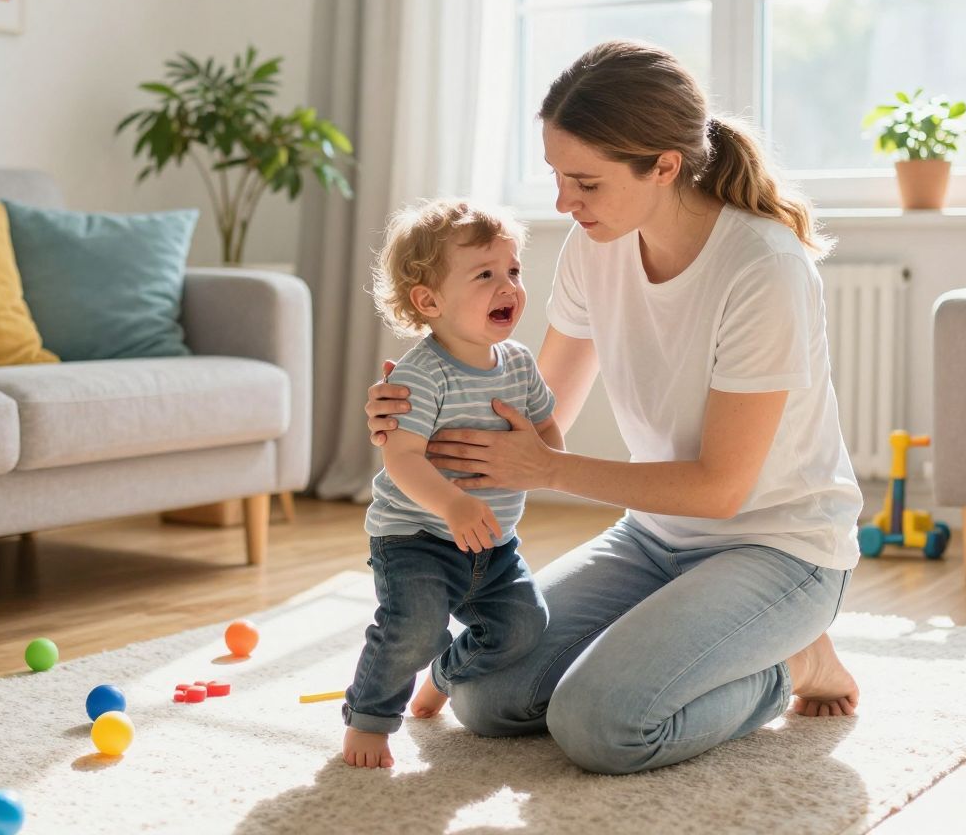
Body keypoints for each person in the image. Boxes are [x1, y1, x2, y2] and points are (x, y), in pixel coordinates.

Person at [365, 41, 863, 776]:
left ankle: (791, 663)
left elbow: (720, 491)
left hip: (779, 548)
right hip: (654, 538)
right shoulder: (595, 245)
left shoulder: (763, 267)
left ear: (663, 166)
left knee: (601, 725)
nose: (564, 202)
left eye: (586, 182)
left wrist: (550, 470)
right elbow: (532, 419)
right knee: (486, 693)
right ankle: (706, 642)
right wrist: (424, 405)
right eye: (557, 175)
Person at [343, 198, 563, 769]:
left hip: (493, 545)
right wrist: (454, 503)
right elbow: (402, 458)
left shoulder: (519, 364)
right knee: (413, 629)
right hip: (417, 539)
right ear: (429, 301)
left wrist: (546, 454)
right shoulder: (422, 374)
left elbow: (548, 434)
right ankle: (369, 718)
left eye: (513, 270)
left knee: (524, 626)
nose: (508, 286)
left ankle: (444, 675)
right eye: (485, 274)